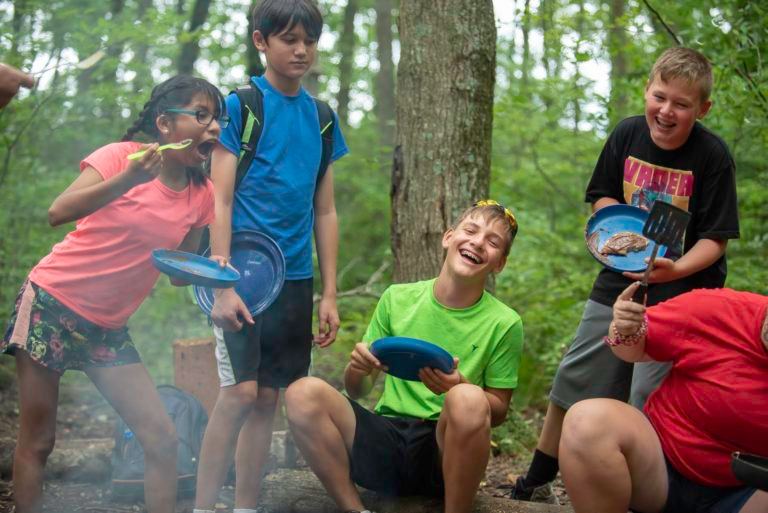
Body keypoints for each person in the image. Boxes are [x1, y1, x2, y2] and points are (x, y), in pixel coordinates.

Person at [512, 47, 740, 504]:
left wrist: (674, 268)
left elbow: (714, 240)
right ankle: (537, 477)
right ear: (646, 91)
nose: (667, 111)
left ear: (703, 108)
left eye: (682, 103)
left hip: (684, 291)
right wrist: (611, 234)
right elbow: (602, 197)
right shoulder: (628, 134)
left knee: (647, 390)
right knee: (577, 374)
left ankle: (643, 491)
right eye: (660, 96)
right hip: (622, 275)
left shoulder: (712, 156)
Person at [1, 74, 225, 513]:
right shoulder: (121, 156)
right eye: (201, 115)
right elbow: (58, 212)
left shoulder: (203, 194)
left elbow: (179, 273)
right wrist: (127, 180)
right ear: (164, 124)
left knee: (161, 438)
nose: (214, 127)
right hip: (51, 303)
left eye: (217, 118)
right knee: (40, 441)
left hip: (107, 329)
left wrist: (214, 273)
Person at [192, 1, 348, 512]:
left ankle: (244, 506)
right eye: (288, 39)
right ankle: (201, 505)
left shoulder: (322, 118)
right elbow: (221, 197)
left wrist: (329, 292)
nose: (301, 49)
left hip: (296, 280)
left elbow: (324, 211)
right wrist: (221, 281)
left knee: (266, 400)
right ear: (262, 41)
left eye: (309, 39)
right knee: (238, 393)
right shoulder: (240, 106)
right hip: (243, 275)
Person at [284, 201, 524, 513]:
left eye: (493, 242)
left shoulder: (504, 322)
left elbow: (499, 411)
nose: (477, 242)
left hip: (445, 450)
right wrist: (358, 367)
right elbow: (358, 390)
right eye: (470, 230)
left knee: (467, 397)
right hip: (387, 439)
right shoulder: (397, 298)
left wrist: (458, 385)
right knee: (301, 392)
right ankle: (354, 509)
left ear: (499, 263)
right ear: (448, 237)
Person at [559, 282, 768, 513]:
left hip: (748, 492)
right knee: (587, 421)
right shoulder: (717, 308)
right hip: (661, 465)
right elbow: (631, 349)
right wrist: (625, 328)